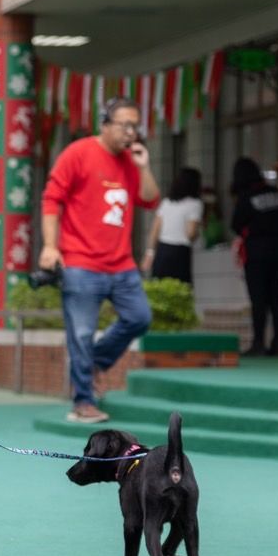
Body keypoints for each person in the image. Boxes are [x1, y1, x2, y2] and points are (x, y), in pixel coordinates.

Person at [39, 96, 161, 425]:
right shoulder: (78, 154)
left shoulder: (130, 162)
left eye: (135, 125)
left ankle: (94, 364)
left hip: (121, 264)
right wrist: (51, 247)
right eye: (124, 125)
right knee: (80, 333)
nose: (131, 132)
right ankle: (83, 401)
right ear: (105, 124)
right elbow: (52, 200)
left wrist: (144, 166)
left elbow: (149, 200)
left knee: (139, 318)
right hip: (80, 263)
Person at [230, 156, 278, 356]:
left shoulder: (246, 196)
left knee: (258, 299)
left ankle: (258, 343)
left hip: (256, 252)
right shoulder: (275, 193)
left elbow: (236, 224)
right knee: (275, 296)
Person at [146, 167, 203, 286]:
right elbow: (191, 234)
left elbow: (154, 231)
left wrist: (150, 252)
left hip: (162, 250)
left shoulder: (167, 202)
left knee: (160, 290)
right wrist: (199, 232)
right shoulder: (195, 203)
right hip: (180, 252)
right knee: (181, 290)